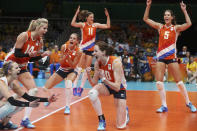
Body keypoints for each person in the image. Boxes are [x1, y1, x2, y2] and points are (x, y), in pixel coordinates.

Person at [143, 0, 196, 113]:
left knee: (179, 82)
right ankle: (164, 105)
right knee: (159, 82)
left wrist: (184, 10)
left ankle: (188, 102)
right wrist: (148, 6)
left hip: (171, 58)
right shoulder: (160, 27)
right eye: (165, 15)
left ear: (172, 17)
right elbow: (146, 19)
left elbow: (189, 23)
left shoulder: (176, 28)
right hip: (161, 58)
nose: (166, 16)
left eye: (168, 15)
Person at [4, 18, 51, 128]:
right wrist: (29, 55)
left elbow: (31, 59)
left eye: (47, 28)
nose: (46, 30)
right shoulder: (25, 35)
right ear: (38, 27)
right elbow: (17, 54)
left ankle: (25, 119)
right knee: (10, 93)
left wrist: (41, 56)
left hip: (23, 65)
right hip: (11, 64)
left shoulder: (40, 41)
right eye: (44, 28)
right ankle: (5, 117)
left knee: (33, 90)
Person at [0, 61, 57, 130]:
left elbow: (28, 97)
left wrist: (47, 99)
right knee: (12, 104)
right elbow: (12, 102)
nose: (19, 69)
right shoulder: (2, 82)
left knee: (19, 104)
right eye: (16, 68)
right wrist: (28, 104)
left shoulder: (12, 84)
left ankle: (4, 123)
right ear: (9, 71)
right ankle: (4, 122)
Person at [86, 41, 129, 130]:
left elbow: (117, 87)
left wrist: (104, 79)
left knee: (120, 126)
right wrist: (89, 74)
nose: (93, 53)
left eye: (96, 51)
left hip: (120, 88)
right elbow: (93, 83)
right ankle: (101, 120)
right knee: (92, 93)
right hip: (107, 86)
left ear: (103, 52)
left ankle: (125, 110)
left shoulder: (116, 62)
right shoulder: (98, 63)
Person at [71, 5, 110, 96]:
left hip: (91, 49)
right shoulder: (83, 24)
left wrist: (107, 16)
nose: (92, 18)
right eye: (91, 17)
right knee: (79, 68)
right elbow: (73, 23)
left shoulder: (95, 25)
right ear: (87, 18)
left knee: (87, 69)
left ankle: (81, 88)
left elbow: (108, 26)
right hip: (82, 48)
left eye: (93, 17)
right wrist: (76, 13)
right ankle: (74, 87)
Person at [43, 33, 82, 114]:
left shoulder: (79, 51)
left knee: (68, 83)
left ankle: (67, 106)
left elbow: (73, 66)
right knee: (45, 88)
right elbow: (60, 62)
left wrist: (68, 58)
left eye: (74, 38)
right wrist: (65, 57)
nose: (71, 39)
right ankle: (52, 96)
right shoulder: (64, 46)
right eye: (70, 38)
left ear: (77, 41)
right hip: (62, 69)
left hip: (72, 70)